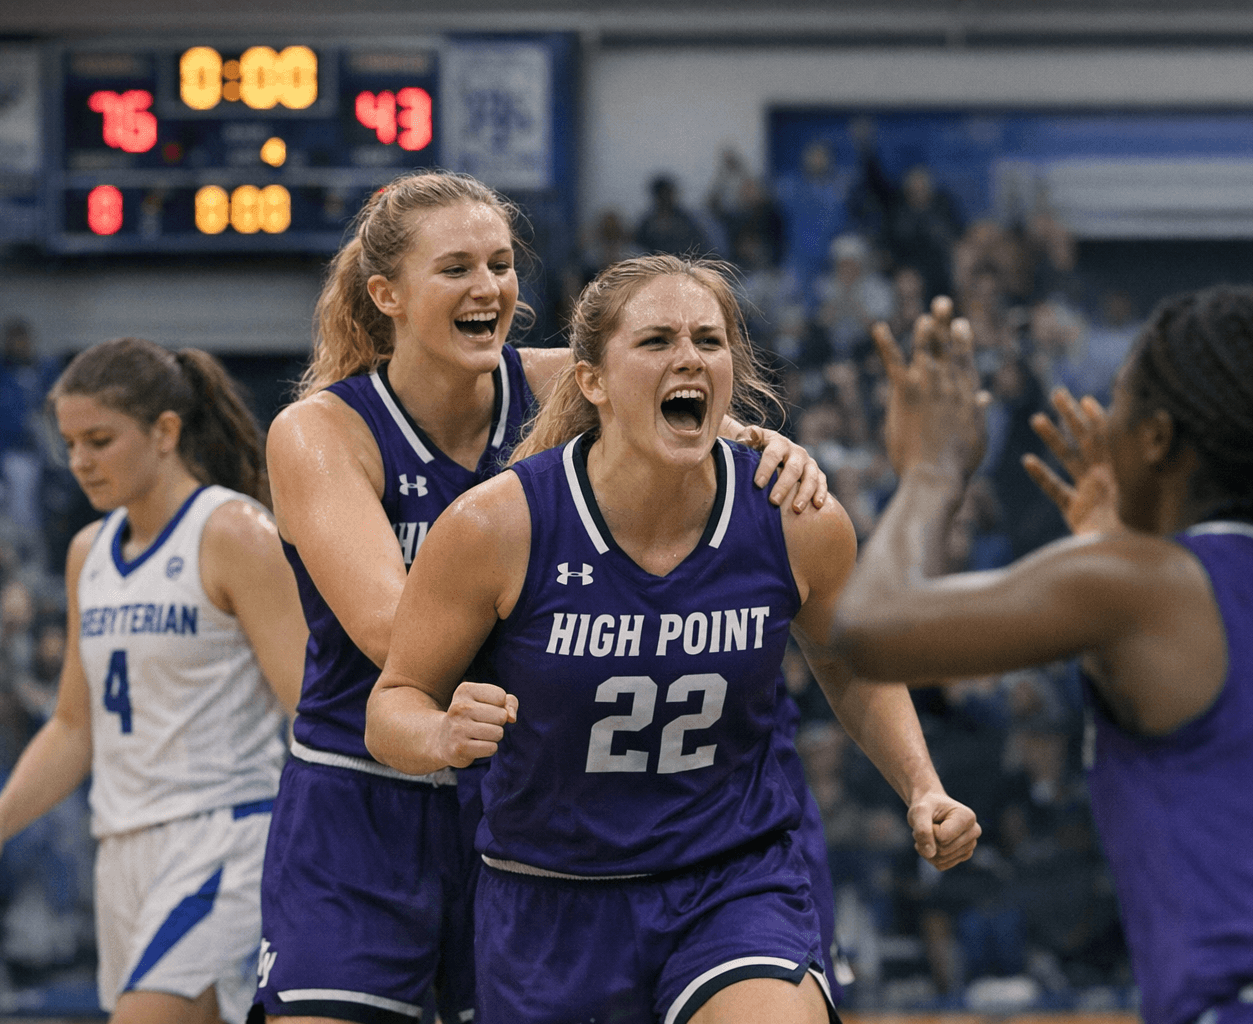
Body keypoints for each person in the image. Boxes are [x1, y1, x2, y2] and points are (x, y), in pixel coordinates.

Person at [257, 172, 828, 1024]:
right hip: (364, 806)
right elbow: (396, 635)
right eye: (455, 269)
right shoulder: (322, 431)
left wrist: (775, 449)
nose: (488, 287)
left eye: (499, 263)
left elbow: (691, 414)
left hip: (516, 810)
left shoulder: (563, 380)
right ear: (388, 295)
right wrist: (614, 618)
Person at [363, 254, 980, 1024]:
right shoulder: (498, 525)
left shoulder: (795, 516)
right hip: (552, 896)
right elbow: (392, 705)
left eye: (709, 341)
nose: (688, 356)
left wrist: (923, 786)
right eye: (656, 341)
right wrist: (443, 733)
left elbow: (848, 661)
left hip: (731, 878)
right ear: (590, 380)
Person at [834, 288, 1253, 1024]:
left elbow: (872, 627)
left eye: (1119, 402)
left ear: (1157, 439)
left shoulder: (1148, 590)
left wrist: (933, 470)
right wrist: (1116, 546)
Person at [0, 337, 305, 1024]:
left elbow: (308, 711)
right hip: (121, 850)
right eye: (70, 442)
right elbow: (74, 726)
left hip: (223, 839)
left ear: (165, 432)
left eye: (99, 440)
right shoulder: (87, 552)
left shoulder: (234, 532)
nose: (79, 461)